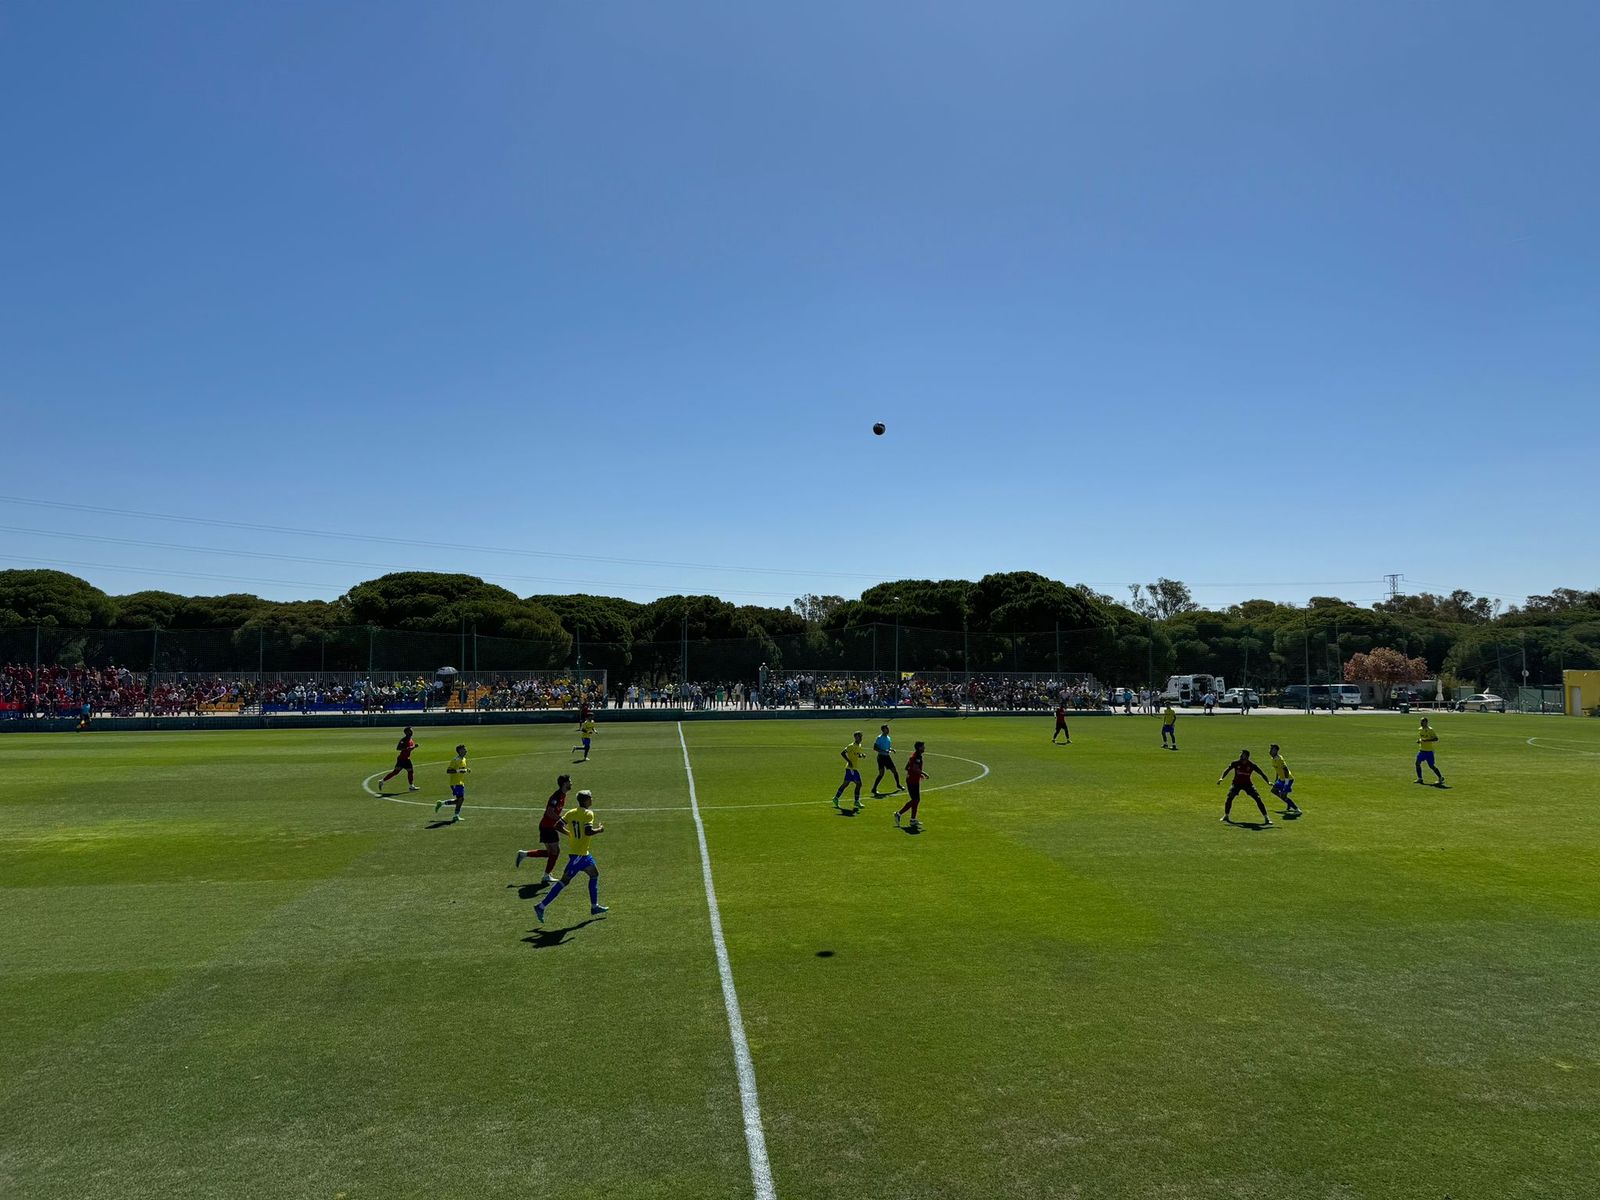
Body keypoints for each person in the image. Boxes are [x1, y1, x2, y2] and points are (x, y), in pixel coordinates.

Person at [534, 789, 608, 922]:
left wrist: (569, 833)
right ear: (586, 801)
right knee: (564, 881)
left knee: (594, 874)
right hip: (578, 856)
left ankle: (594, 906)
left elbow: (557, 826)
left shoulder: (571, 812)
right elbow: (588, 831)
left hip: (584, 854)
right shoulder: (588, 814)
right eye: (590, 798)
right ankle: (541, 906)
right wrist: (600, 830)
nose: (592, 800)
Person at [516, 774, 573, 884]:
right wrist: (561, 820)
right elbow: (549, 812)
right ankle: (546, 875)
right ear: (564, 783)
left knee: (551, 853)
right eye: (570, 781)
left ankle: (524, 854)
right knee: (555, 852)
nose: (571, 783)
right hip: (548, 827)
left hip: (548, 827)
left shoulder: (562, 795)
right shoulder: (556, 796)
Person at [1217, 750, 1272, 825]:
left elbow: (1261, 773)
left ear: (1246, 756)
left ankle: (1266, 818)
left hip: (1248, 785)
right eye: (1241, 754)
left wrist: (1268, 781)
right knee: (1229, 798)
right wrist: (1221, 778)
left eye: (1242, 754)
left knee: (1258, 799)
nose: (1240, 755)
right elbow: (1227, 770)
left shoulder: (1251, 765)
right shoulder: (1236, 763)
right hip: (1236, 784)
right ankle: (1226, 815)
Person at [895, 741, 929, 828]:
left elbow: (907, 767)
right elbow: (914, 768)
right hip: (912, 781)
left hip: (912, 780)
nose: (924, 748)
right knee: (915, 800)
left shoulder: (914, 755)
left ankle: (913, 820)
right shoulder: (917, 757)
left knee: (916, 800)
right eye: (923, 747)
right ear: (919, 748)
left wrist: (918, 774)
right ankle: (899, 813)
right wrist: (923, 773)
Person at [833, 731, 868, 813]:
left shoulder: (859, 746)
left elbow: (857, 754)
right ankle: (856, 801)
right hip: (851, 769)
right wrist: (849, 761)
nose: (861, 738)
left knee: (846, 784)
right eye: (859, 737)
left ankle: (836, 798)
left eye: (861, 737)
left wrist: (862, 755)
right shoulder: (851, 746)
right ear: (855, 737)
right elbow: (842, 753)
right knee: (859, 784)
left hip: (853, 768)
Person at [377, 727, 419, 793]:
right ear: (407, 732)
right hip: (402, 759)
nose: (412, 732)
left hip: (406, 759)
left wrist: (413, 747)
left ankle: (411, 786)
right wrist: (408, 748)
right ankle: (382, 781)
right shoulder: (404, 740)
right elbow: (398, 748)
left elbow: (410, 748)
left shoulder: (410, 739)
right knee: (396, 772)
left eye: (412, 730)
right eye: (410, 731)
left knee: (410, 771)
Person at [435, 744, 469, 822]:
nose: (466, 750)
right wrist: (458, 771)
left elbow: (461, 769)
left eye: (465, 749)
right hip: (455, 783)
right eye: (464, 749)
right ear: (459, 751)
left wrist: (466, 770)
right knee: (461, 799)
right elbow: (448, 771)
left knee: (459, 800)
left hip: (460, 782)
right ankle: (456, 815)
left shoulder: (463, 759)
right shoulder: (455, 760)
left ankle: (442, 803)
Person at [1268, 743, 1301, 815]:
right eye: (1270, 749)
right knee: (1274, 790)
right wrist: (1276, 779)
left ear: (1276, 751)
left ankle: (1297, 809)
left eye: (1272, 749)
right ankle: (1287, 801)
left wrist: (1286, 783)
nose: (1270, 751)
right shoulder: (1273, 759)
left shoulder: (1279, 759)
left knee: (1283, 796)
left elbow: (1285, 770)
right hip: (1281, 779)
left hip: (1288, 779)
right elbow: (1277, 769)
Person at [871, 724, 902, 796]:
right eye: (887, 729)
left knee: (894, 771)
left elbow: (888, 747)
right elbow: (875, 748)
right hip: (881, 757)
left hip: (887, 757)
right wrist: (884, 751)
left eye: (888, 729)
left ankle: (898, 784)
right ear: (883, 730)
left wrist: (891, 749)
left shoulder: (888, 738)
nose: (888, 730)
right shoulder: (879, 738)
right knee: (881, 774)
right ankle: (874, 788)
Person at [1415, 717, 1445, 785]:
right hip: (1422, 750)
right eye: (1421, 721)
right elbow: (1422, 738)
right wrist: (1419, 741)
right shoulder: (1420, 729)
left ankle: (1440, 778)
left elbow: (1436, 739)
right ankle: (1420, 778)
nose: (1421, 723)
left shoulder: (1430, 730)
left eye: (1423, 722)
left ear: (1426, 722)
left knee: (1431, 766)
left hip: (1429, 751)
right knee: (1417, 763)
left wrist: (1427, 740)